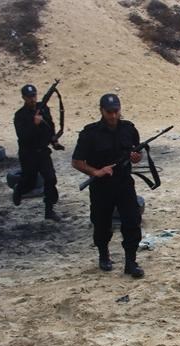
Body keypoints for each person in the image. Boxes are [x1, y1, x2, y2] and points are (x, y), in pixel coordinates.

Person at [71, 93, 145, 277]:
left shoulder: (129, 129)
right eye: (109, 112)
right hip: (101, 187)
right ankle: (104, 255)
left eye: (116, 111)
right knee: (101, 224)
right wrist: (96, 172)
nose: (113, 115)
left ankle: (131, 262)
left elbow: (137, 154)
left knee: (132, 222)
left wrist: (136, 157)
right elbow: (77, 162)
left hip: (124, 183)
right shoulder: (90, 133)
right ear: (101, 111)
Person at [12, 84, 64, 221]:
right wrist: (34, 124)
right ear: (23, 98)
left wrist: (54, 141)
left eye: (34, 96)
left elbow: (50, 126)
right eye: (29, 97)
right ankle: (19, 189)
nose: (32, 99)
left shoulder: (43, 108)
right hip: (28, 153)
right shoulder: (20, 115)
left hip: (42, 152)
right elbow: (23, 136)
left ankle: (49, 210)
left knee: (50, 178)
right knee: (29, 181)